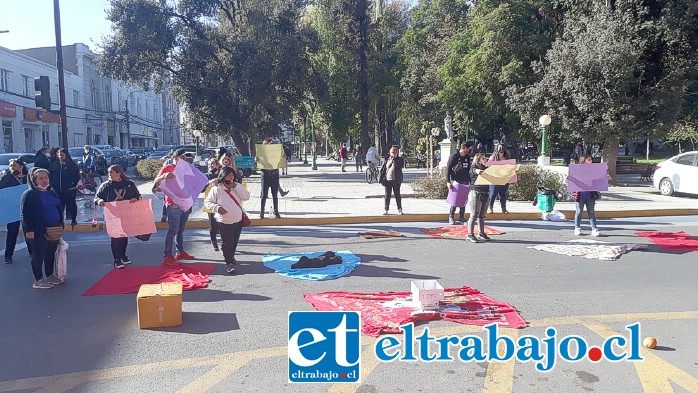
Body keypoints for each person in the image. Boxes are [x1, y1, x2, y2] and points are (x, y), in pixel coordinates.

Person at [21, 168, 64, 289]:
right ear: (34, 180)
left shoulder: (52, 192)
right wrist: (28, 229)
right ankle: (38, 280)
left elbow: (59, 208)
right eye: (40, 178)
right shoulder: (30, 194)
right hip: (37, 230)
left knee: (50, 253)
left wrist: (61, 223)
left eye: (46, 178)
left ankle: (50, 275)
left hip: (54, 229)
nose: (44, 180)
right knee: (39, 254)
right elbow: (25, 213)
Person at [204, 166, 251, 274]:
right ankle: (229, 263)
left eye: (232, 175)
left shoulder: (237, 186)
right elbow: (208, 202)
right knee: (227, 242)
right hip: (223, 220)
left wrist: (236, 187)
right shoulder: (217, 189)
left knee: (234, 241)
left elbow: (246, 196)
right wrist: (218, 208)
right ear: (223, 176)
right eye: (229, 175)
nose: (231, 177)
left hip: (238, 220)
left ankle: (231, 256)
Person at [154, 149, 196, 266]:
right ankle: (167, 255)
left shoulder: (188, 169)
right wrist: (165, 175)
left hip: (186, 202)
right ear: (176, 158)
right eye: (183, 157)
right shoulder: (167, 168)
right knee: (173, 230)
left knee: (181, 230)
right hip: (173, 203)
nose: (185, 159)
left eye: (186, 158)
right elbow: (156, 181)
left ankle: (180, 251)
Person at [94, 165, 141, 269]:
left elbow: (138, 195)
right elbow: (96, 197)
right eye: (109, 172)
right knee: (116, 237)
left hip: (126, 214)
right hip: (112, 215)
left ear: (119, 173)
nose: (109, 174)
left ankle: (123, 255)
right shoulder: (106, 186)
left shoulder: (129, 184)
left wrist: (134, 198)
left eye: (111, 172)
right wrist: (99, 201)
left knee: (124, 236)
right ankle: (117, 259)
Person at [1, 159, 32, 263]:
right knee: (12, 232)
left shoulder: (28, 178)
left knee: (28, 230)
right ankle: (8, 256)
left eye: (14, 165)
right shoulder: (7, 178)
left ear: (21, 166)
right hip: (12, 210)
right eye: (10, 166)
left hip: (27, 209)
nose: (12, 167)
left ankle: (32, 251)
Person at [49, 148, 81, 226]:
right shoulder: (54, 165)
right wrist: (52, 184)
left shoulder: (72, 165)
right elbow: (50, 175)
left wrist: (72, 183)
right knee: (60, 206)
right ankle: (60, 220)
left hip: (69, 189)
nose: (61, 157)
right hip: (57, 190)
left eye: (62, 155)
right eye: (59, 155)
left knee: (71, 204)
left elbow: (77, 176)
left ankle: (73, 219)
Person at [573, 155, 601, 237]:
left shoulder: (594, 170)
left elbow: (600, 179)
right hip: (580, 195)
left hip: (590, 195)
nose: (591, 161)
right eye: (589, 159)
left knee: (591, 212)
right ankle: (577, 228)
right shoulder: (578, 170)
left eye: (591, 159)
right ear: (584, 160)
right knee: (579, 212)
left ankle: (594, 228)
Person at [446, 142, 473, 224]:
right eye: (469, 148)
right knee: (454, 200)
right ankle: (451, 216)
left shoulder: (467, 158)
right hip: (456, 181)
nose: (469, 150)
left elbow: (469, 170)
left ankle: (461, 216)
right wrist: (448, 181)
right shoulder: (454, 156)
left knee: (463, 200)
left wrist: (470, 181)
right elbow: (448, 169)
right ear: (465, 148)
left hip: (465, 181)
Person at [467, 153, 491, 243]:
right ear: (478, 160)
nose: (485, 160)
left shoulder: (486, 168)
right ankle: (470, 234)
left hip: (485, 193)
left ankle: (481, 233)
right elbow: (474, 171)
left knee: (482, 215)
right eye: (483, 158)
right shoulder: (473, 167)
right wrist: (479, 171)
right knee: (474, 215)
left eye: (485, 158)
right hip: (476, 193)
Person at [257, 138, 284, 218]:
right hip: (265, 174)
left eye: (272, 144)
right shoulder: (261, 152)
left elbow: (281, 159)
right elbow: (257, 164)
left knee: (274, 194)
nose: (271, 145)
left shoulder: (275, 152)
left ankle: (276, 212)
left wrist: (283, 157)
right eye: (269, 144)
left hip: (274, 174)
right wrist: (257, 160)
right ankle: (261, 213)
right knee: (264, 194)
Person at [379, 146, 405, 215]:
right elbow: (383, 169)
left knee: (397, 195)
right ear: (390, 153)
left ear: (397, 153)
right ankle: (386, 209)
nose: (393, 154)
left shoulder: (400, 159)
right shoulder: (387, 159)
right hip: (388, 180)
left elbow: (400, 166)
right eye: (392, 152)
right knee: (387, 195)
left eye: (394, 152)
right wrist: (381, 178)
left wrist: (394, 160)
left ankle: (399, 209)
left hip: (396, 180)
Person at [487, 144, 511, 214]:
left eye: (502, 150)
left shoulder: (507, 158)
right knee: (493, 193)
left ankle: (504, 208)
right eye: (500, 150)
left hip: (504, 178)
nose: (501, 152)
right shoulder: (493, 158)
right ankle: (490, 207)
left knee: (503, 194)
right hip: (495, 178)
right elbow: (488, 167)